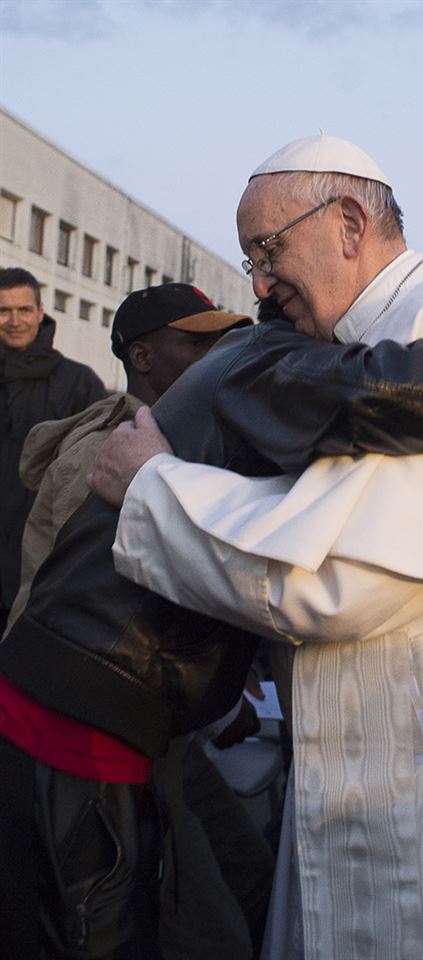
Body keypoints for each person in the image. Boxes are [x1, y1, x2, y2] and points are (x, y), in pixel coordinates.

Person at [92, 136, 423, 960]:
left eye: (267, 250)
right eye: (250, 258)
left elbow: (339, 576)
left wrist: (152, 487)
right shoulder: (377, 330)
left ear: (349, 223)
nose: (259, 282)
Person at [0, 262, 423, 958]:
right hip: (84, 713)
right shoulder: (267, 359)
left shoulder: (244, 361)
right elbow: (372, 393)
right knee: (92, 929)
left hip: (101, 701)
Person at [2, 281, 275, 960]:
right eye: (198, 341)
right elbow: (80, 608)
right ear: (144, 355)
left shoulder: (188, 438)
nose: (216, 353)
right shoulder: (104, 454)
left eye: (221, 339)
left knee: (246, 878)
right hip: (83, 738)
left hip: (151, 732)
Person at [0, 267, 106, 633]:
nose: (14, 321)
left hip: (41, 562)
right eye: (3, 311)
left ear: (40, 312)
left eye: (23, 310)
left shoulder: (78, 383)